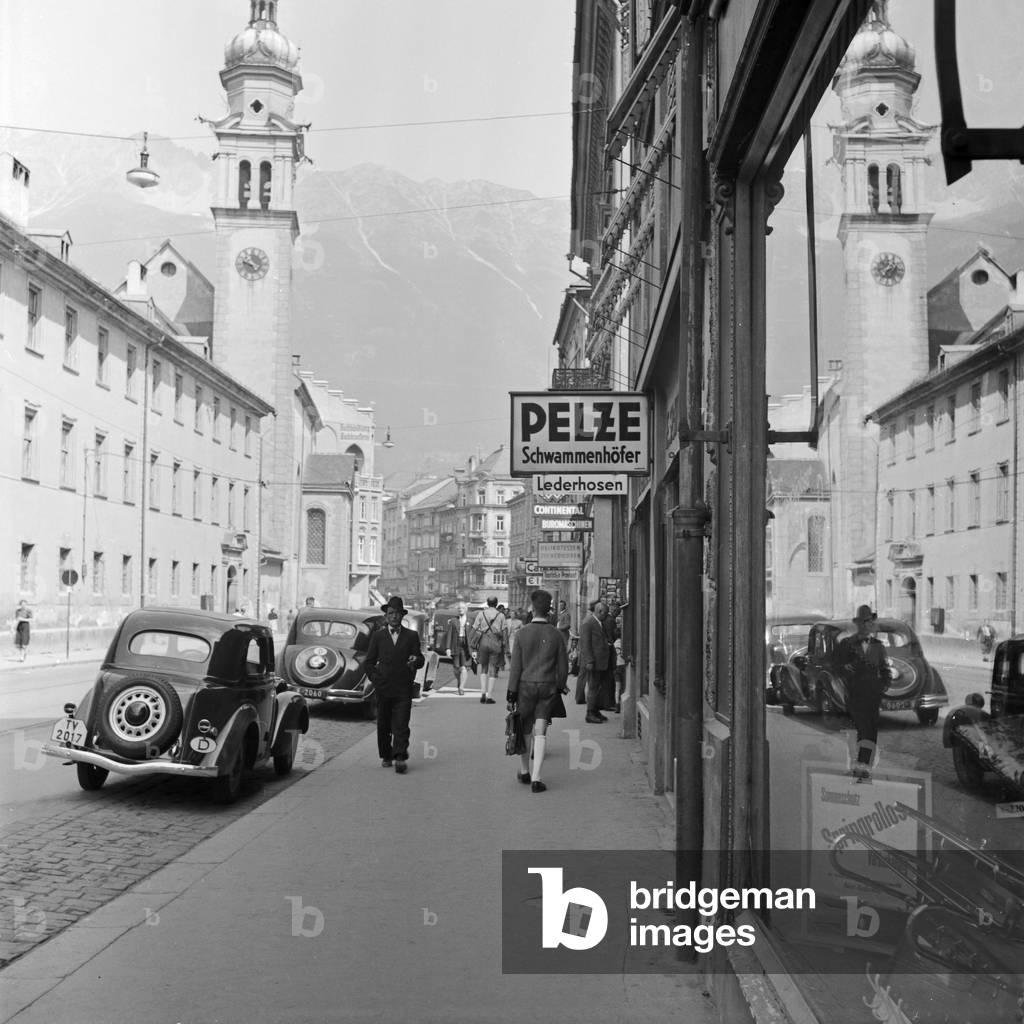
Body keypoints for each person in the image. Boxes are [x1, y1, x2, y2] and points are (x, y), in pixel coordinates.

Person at [507, 589, 569, 793]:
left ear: (532, 608)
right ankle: (536, 778)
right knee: (541, 730)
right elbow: (563, 666)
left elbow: (515, 666)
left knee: (525, 728)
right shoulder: (556, 634)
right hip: (547, 686)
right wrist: (560, 685)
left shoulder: (522, 634)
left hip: (525, 686)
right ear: (549, 609)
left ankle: (524, 770)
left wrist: (511, 692)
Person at [363, 596, 425, 774]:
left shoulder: (411, 636)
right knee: (383, 724)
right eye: (391, 613)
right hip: (383, 688)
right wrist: (376, 678)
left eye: (397, 613)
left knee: (401, 723)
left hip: (403, 687)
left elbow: (420, 659)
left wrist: (416, 660)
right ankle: (386, 755)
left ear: (402, 615)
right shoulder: (378, 636)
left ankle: (400, 756)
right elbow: (368, 663)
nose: (394, 617)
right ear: (386, 616)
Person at [836, 605, 889, 780]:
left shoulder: (878, 647)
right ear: (859, 624)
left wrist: (882, 686)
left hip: (873, 696)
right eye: (865, 622)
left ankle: (864, 768)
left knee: (871, 732)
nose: (868, 625)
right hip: (855, 695)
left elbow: (885, 670)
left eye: (870, 622)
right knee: (860, 730)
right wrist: (846, 668)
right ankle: (857, 764)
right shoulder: (847, 644)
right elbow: (837, 667)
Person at [580, 601, 612, 724]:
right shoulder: (588, 623)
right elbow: (585, 643)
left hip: (601, 661)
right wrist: (589, 660)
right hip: (594, 661)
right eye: (605, 613)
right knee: (593, 687)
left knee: (597, 687)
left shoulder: (598, 622)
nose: (607, 615)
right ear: (599, 611)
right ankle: (590, 713)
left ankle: (595, 709)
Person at [472, 598, 506, 704]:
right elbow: (504, 630)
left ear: (487, 603)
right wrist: (504, 643)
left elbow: (475, 628)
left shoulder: (481, 613)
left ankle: (483, 693)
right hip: (495, 641)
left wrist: (473, 644)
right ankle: (489, 696)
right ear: (496, 604)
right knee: (493, 668)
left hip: (483, 641)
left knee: (483, 667)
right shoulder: (501, 615)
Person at [445, 601, 475, 695]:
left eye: (462, 608)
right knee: (456, 668)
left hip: (466, 646)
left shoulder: (471, 621)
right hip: (455, 645)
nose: (460, 609)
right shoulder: (453, 621)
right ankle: (460, 681)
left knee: (464, 667)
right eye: (459, 608)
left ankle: (461, 687)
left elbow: (474, 636)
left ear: (466, 609)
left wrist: (474, 650)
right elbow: (449, 634)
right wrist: (448, 648)